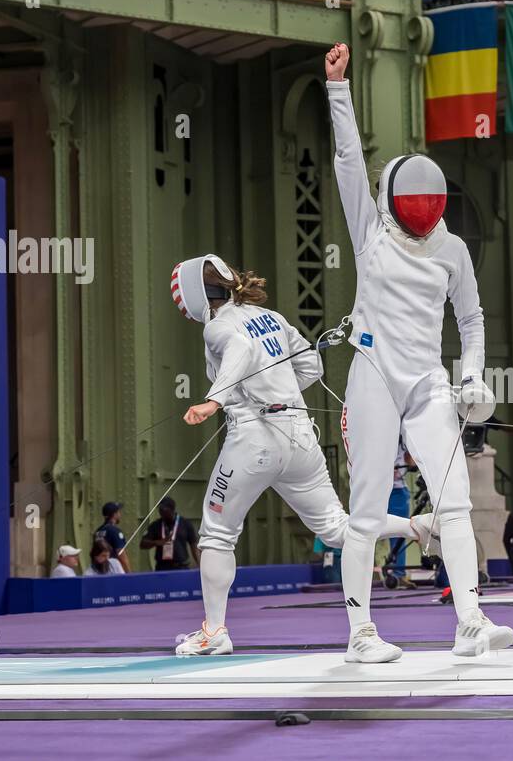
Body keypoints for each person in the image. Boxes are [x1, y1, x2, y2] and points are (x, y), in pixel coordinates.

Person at [326, 42, 513, 657]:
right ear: (394, 204)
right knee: (366, 507)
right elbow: (349, 162)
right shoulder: (370, 234)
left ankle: (470, 623)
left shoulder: (452, 248)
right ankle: (359, 633)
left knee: (454, 498)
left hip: (430, 382)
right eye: (414, 208)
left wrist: (475, 378)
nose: (422, 217)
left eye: (431, 210)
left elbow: (472, 317)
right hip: (374, 372)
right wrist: (338, 90)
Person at [170, 254, 430, 660]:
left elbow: (238, 349)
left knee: (217, 533)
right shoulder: (271, 316)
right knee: (337, 526)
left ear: (196, 295)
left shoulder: (219, 328)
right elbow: (310, 365)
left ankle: (214, 632)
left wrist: (214, 401)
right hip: (300, 437)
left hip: (254, 440)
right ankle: (417, 527)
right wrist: (282, 392)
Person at [140, 497, 201, 572]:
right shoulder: (156, 525)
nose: (160, 511)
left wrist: (200, 564)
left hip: (181, 568)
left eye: (163, 509)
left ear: (171, 509)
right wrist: (157, 542)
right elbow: (143, 544)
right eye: (159, 509)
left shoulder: (185, 524)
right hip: (162, 568)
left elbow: (193, 545)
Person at [385, 441, 415, 589]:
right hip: (379, 488)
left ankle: (399, 573)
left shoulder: (403, 434)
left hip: (397, 490)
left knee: (399, 533)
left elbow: (410, 458)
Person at [93, 501, 131, 572]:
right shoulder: (114, 531)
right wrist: (129, 574)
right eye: (119, 512)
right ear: (114, 514)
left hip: (99, 570)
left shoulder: (98, 531)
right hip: (113, 570)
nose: (120, 514)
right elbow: (121, 554)